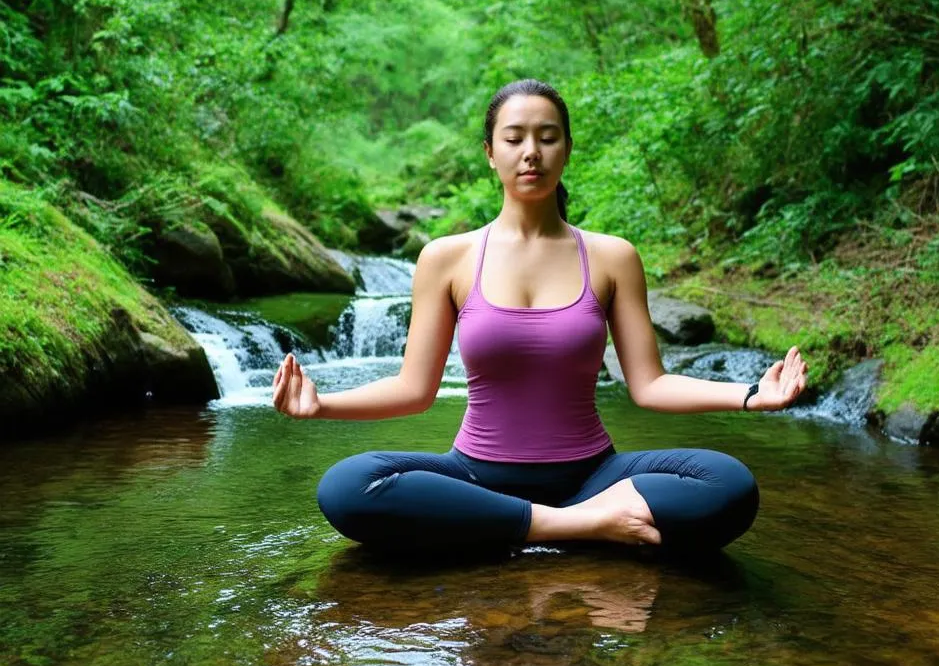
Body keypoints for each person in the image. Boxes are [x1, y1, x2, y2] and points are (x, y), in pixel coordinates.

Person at [273, 78, 808, 557]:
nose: (531, 153)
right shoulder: (447, 258)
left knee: (729, 483)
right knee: (346, 487)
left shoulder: (612, 256)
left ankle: (536, 525)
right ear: (490, 153)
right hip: (475, 477)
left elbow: (649, 385)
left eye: (548, 137)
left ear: (568, 149)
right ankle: (579, 528)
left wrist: (748, 396)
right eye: (514, 138)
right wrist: (322, 407)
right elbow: (415, 390)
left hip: (595, 477)